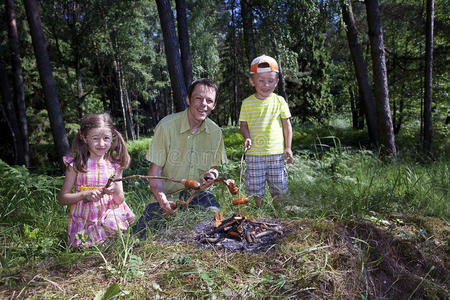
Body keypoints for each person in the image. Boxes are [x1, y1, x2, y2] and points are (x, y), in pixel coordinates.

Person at [132, 78, 227, 237]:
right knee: (142, 235)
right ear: (188, 99)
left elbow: (214, 168)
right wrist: (163, 203)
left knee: (216, 222)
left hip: (198, 195)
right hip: (166, 197)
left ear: (214, 105)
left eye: (209, 100)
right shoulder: (167, 126)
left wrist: (211, 175)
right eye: (198, 98)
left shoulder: (215, 132)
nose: (204, 104)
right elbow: (154, 172)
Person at [58, 113, 135, 247]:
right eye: (95, 138)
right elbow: (63, 198)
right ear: (84, 138)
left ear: (112, 138)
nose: (101, 143)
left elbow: (120, 200)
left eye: (106, 138)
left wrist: (115, 190)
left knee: (112, 226)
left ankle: (111, 241)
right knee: (86, 244)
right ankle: (96, 242)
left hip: (109, 213)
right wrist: (83, 194)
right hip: (85, 217)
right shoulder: (76, 166)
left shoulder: (114, 166)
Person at [239, 55, 294, 207]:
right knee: (256, 186)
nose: (266, 85)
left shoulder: (279, 101)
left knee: (278, 184)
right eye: (261, 81)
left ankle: (278, 209)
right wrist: (247, 137)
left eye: (270, 81)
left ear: (276, 82)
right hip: (254, 154)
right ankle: (259, 209)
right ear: (252, 81)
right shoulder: (247, 103)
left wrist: (288, 147)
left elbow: (287, 125)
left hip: (276, 153)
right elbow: (243, 125)